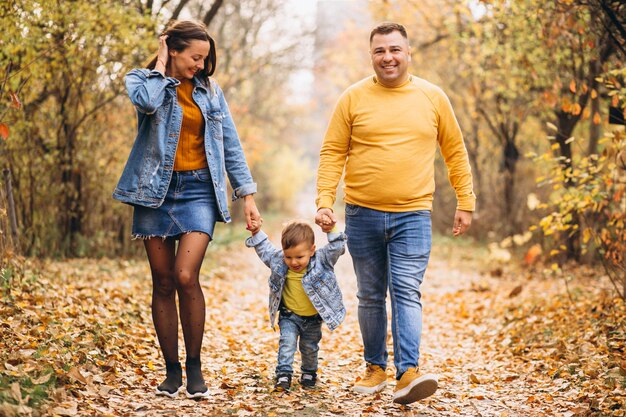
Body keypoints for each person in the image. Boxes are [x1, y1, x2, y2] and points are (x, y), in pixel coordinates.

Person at [315, 22, 476, 405]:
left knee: (406, 290)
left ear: (408, 52)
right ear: (371, 55)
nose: (388, 57)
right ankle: (375, 368)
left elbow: (455, 151)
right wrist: (325, 199)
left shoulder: (433, 97)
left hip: (413, 214)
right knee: (370, 295)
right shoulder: (352, 98)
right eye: (379, 51)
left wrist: (465, 201)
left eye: (394, 50)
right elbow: (333, 151)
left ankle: (408, 373)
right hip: (362, 213)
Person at [112, 20, 261, 399]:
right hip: (153, 194)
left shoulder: (211, 92)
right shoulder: (143, 80)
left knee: (184, 275)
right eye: (195, 57)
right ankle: (172, 372)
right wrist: (161, 63)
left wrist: (247, 196)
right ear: (173, 50)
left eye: (205, 58)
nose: (200, 64)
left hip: (198, 192)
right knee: (161, 281)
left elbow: (230, 145)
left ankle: (194, 367)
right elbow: (146, 103)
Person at [245, 218, 346, 391]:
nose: (293, 262)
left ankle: (309, 372)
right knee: (287, 342)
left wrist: (332, 229)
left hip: (313, 319)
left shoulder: (322, 260)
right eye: (288, 257)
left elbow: (337, 247)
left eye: (300, 257)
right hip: (289, 315)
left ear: (312, 250)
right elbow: (265, 249)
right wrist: (256, 232)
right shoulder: (278, 260)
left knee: (309, 348)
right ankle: (283, 373)